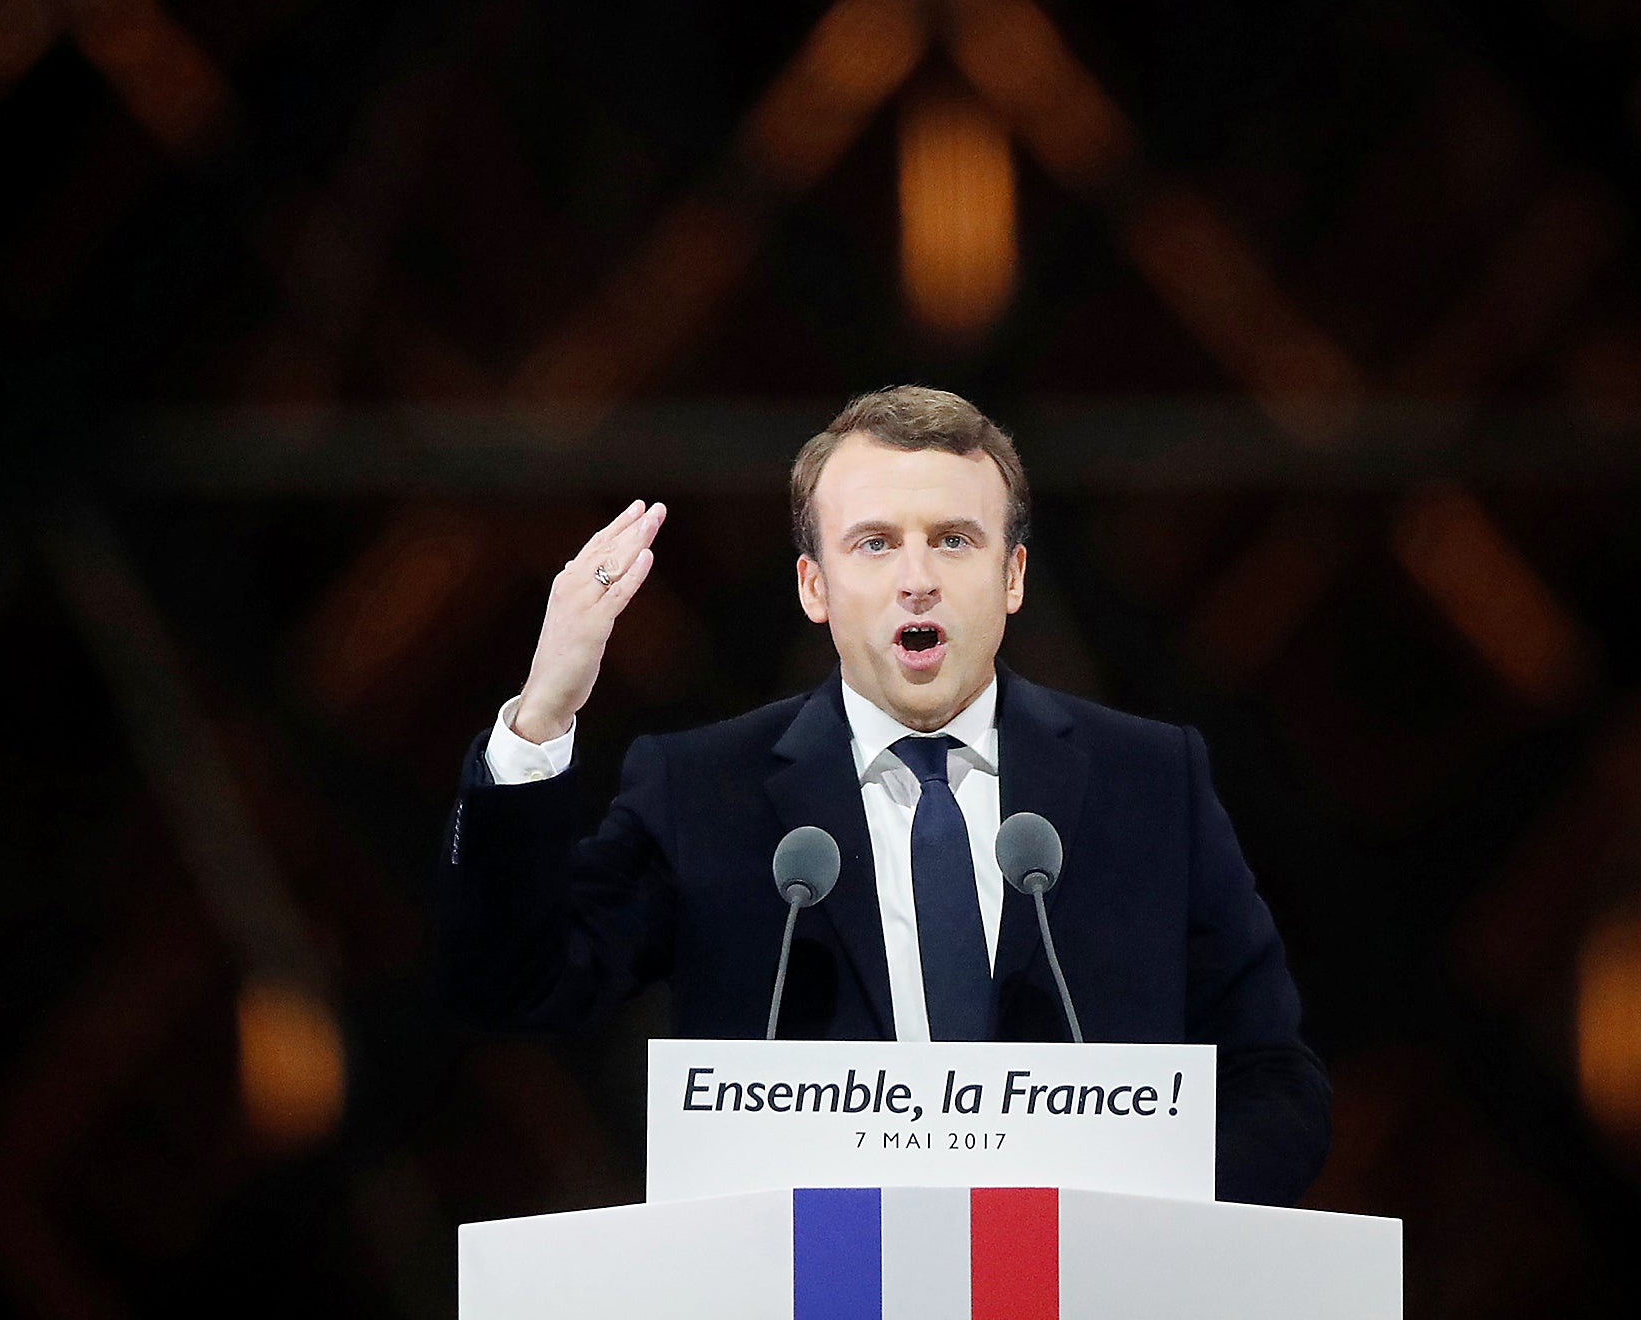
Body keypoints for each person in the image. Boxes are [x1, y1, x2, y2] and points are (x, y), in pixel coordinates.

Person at [436, 386, 1331, 1204]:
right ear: (814, 587)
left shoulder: (1150, 780)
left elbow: (1271, 1079)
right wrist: (541, 716)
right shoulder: (703, 791)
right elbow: (515, 988)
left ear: (1012, 576)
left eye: (953, 539)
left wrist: (1158, 1243)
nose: (918, 578)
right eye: (875, 543)